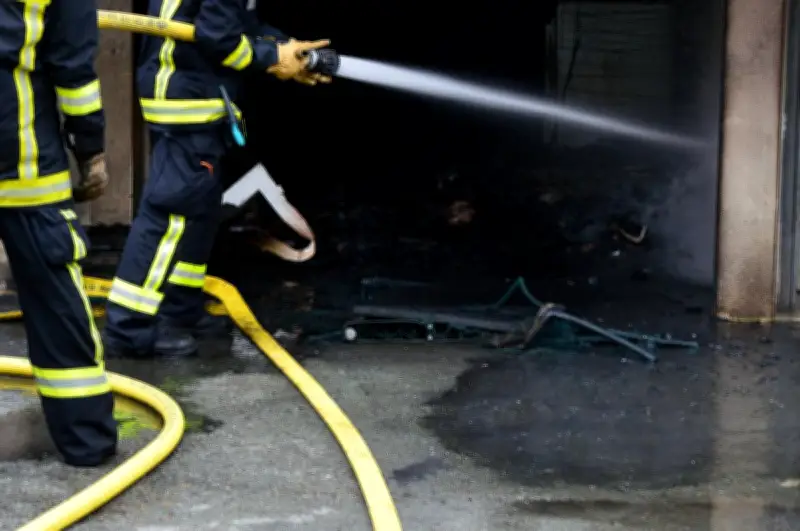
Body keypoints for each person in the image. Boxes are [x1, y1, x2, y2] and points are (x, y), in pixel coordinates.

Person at [102, 0, 331, 357]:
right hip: (187, 100)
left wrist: (286, 47)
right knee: (171, 214)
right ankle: (127, 327)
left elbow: (237, 22)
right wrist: (271, 57)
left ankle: (181, 308)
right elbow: (220, 39)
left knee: (201, 209)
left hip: (190, 94)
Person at [0, 0, 117, 465]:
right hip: (24, 163)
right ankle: (86, 442)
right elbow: (72, 71)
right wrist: (91, 151)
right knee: (55, 301)